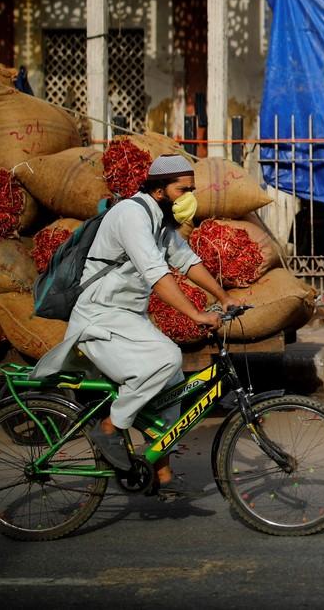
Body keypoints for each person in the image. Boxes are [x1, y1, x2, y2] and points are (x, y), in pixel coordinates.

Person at [32, 154, 233, 496]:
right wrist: (197, 315)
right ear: (158, 190)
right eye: (183, 190)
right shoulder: (131, 214)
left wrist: (222, 295)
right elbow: (157, 275)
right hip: (99, 317)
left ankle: (162, 471)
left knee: (172, 384)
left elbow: (186, 261)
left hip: (126, 319)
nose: (189, 198)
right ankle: (109, 428)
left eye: (192, 190)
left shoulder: (159, 222)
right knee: (167, 357)